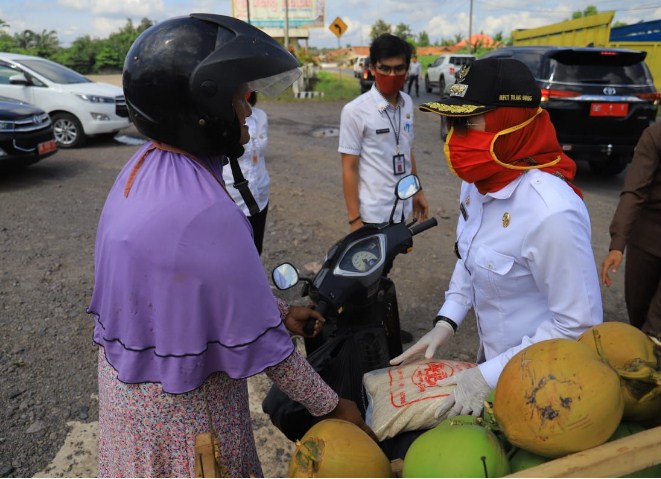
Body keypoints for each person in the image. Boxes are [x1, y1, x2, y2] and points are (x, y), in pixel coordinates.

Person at [87, 14, 373, 478]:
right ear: (204, 105)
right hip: (190, 423)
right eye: (240, 96)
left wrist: (277, 312)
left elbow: (188, 291)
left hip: (132, 407)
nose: (249, 109)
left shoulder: (142, 169)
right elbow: (277, 357)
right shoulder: (203, 210)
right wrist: (334, 407)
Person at [390, 57, 603, 419]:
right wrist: (447, 320)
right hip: (493, 365)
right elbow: (470, 255)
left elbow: (578, 325)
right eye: (451, 124)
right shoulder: (476, 183)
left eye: (468, 124)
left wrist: (484, 377)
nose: (456, 140)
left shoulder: (550, 211)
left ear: (512, 121)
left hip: (545, 384)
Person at [339, 33, 429, 232]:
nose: (391, 75)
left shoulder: (407, 104)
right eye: (384, 69)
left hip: (402, 210)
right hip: (371, 216)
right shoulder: (354, 111)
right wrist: (355, 220)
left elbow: (407, 149)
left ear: (407, 70)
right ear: (372, 68)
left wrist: (417, 191)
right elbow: (349, 168)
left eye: (398, 69)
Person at [602, 121, 661, 336]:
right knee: (638, 315)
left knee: (655, 329)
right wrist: (617, 244)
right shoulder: (655, 135)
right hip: (647, 240)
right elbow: (634, 192)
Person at [223, 91, 270, 255]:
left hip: (259, 195)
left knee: (256, 250)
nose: (248, 111)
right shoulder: (220, 121)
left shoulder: (261, 116)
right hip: (232, 198)